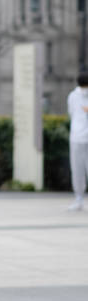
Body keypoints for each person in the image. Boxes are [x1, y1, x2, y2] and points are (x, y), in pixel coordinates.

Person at [67, 72, 88, 211]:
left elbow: (70, 113)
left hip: (76, 137)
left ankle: (79, 198)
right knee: (77, 169)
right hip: (77, 137)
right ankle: (79, 199)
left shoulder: (71, 96)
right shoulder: (73, 96)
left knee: (78, 169)